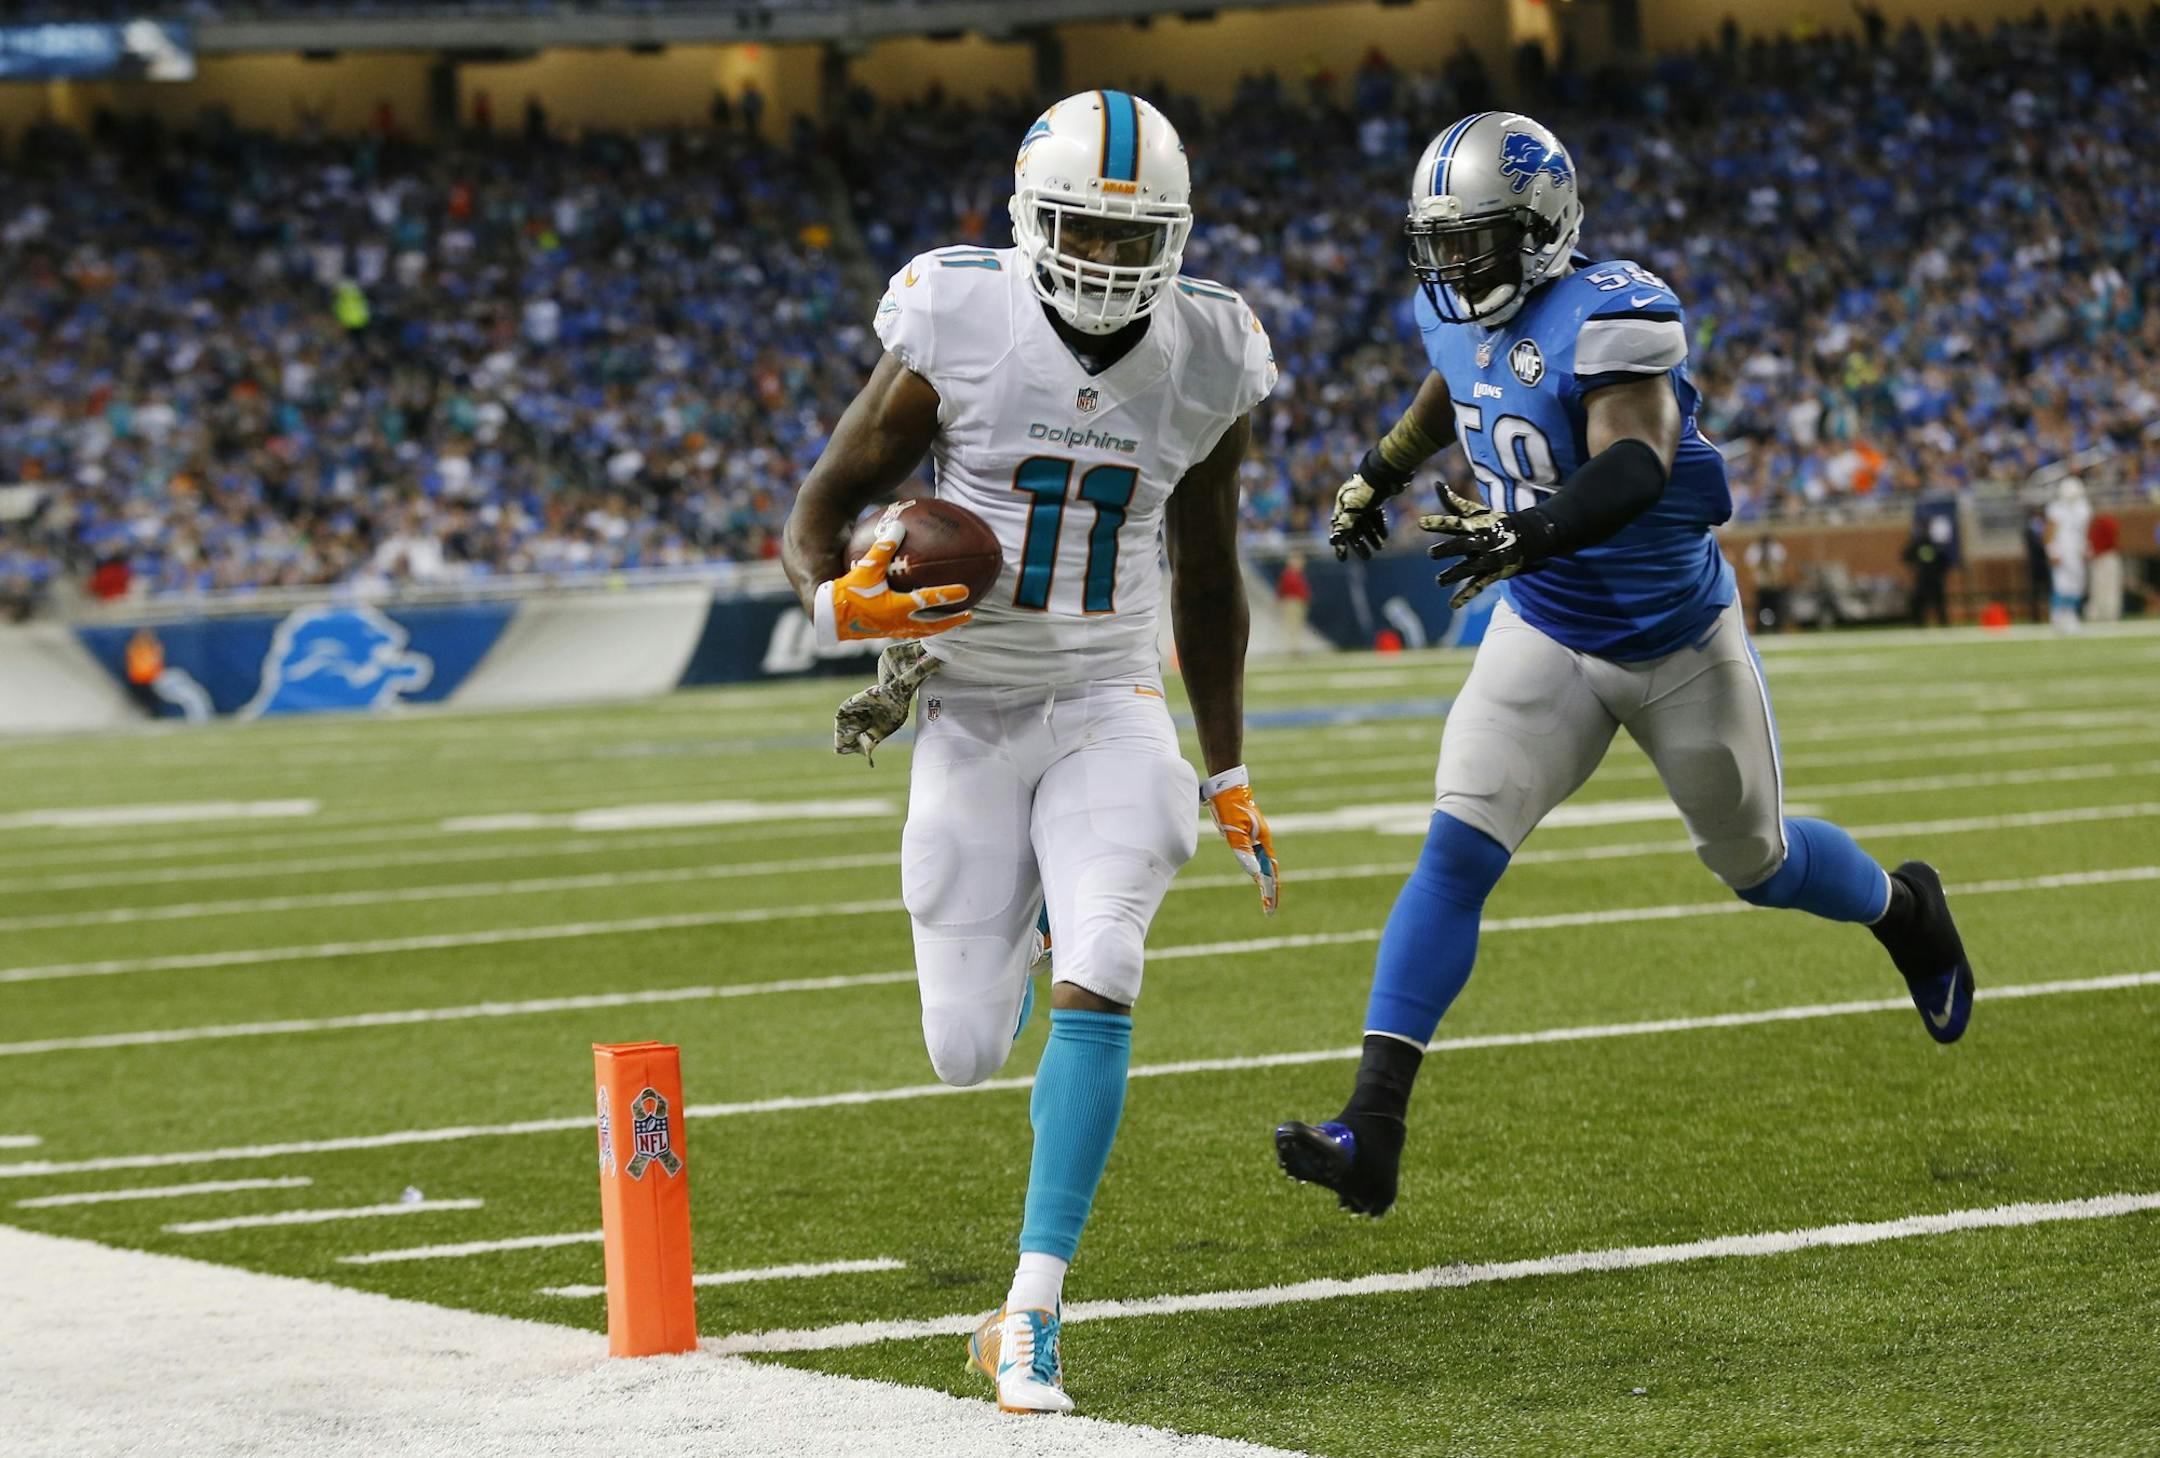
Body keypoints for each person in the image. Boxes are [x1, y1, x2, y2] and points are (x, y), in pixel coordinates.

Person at [1273, 111, 1975, 1219]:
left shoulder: (1615, 312)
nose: (1455, 267)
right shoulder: (1453, 312)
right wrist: (1377, 472)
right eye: (1441, 244)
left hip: (1674, 643)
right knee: (1454, 854)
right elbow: (1453, 384)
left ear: (1543, 230)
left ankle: (1906, 911)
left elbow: (1638, 462)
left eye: (1478, 241)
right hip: (1547, 631)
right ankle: (1375, 1126)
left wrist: (1526, 532)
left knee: (1760, 864)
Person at [780, 91, 1279, 1415]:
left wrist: (1226, 769)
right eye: (1083, 233)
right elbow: (818, 512)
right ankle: (1032, 917)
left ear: (1172, 237)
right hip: (966, 707)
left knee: (1107, 956)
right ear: (1028, 222)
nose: (1108, 265)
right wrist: (843, 606)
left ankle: (1031, 1312)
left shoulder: (1211, 350)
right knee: (960, 1051)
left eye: (1134, 240)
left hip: (1110, 698)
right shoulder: (963, 317)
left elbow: (1212, 575)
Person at [2045, 476, 2092, 633]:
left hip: (2076, 551)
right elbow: (2049, 534)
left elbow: (2083, 532)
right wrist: (2052, 552)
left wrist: (2086, 547)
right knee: (2061, 584)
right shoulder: (2056, 509)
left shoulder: (2083, 508)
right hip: (2062, 550)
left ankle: (2071, 615)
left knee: (2077, 585)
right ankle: (2057, 616)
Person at [1742, 530, 1791, 632]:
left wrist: (1776, 578)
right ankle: (1760, 628)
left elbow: (1781, 565)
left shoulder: (1776, 548)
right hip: (1761, 582)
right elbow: (1751, 567)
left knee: (1776, 606)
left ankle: (1778, 627)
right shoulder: (1755, 549)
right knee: (1761, 606)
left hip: (1774, 583)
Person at [2086, 509, 2123, 624]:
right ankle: (2102, 614)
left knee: (2106, 589)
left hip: (2106, 557)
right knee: (2100, 588)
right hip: (2101, 559)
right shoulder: (2099, 523)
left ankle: (2108, 614)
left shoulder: (2105, 522)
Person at [1276, 551, 1313, 653]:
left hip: (1300, 602)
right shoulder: (1288, 575)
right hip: (1291, 602)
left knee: (1297, 625)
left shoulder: (1298, 575)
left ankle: (1296, 647)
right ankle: (1293, 648)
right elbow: (1283, 590)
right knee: (1292, 626)